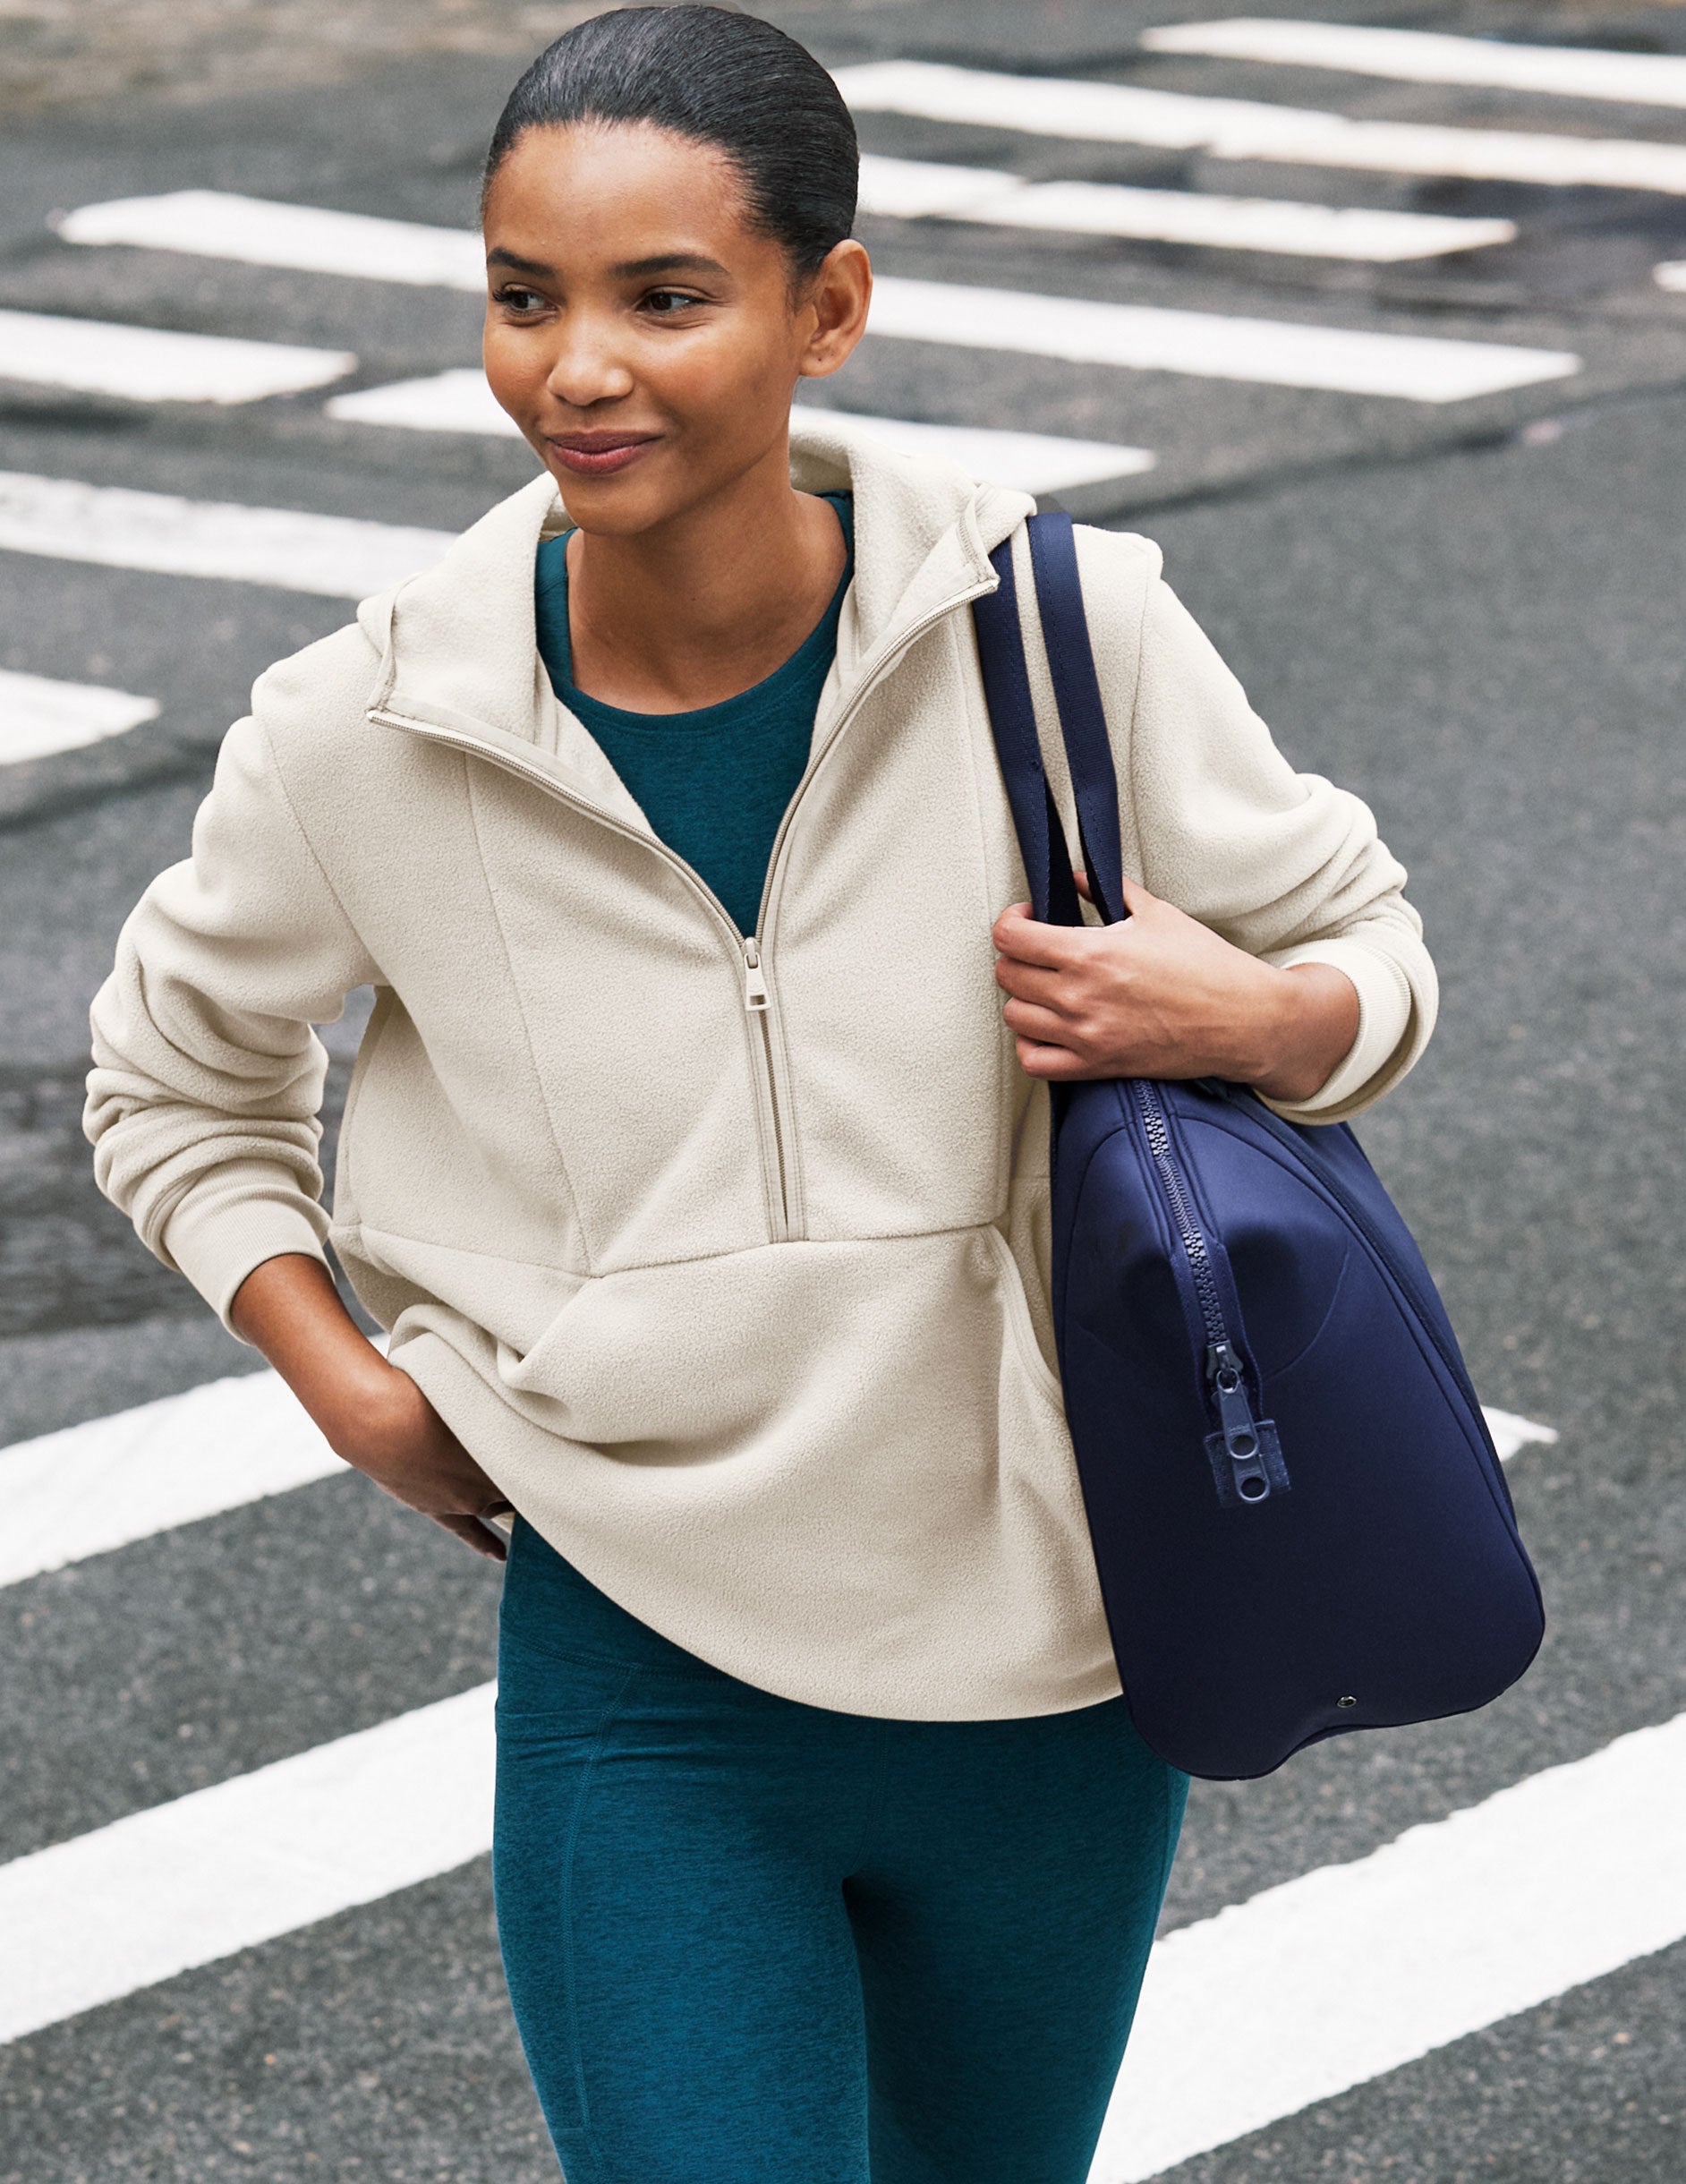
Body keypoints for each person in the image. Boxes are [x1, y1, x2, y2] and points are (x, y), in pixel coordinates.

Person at [84, 9, 1436, 2180]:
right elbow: (173, 1079)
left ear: (829, 307)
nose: (575, 369)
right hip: (650, 1683)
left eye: (663, 297)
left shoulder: (1057, 634)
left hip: (1059, 1669)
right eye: (523, 297)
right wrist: (344, 1377)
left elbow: (1366, 947)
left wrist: (1261, 1019)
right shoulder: (372, 723)